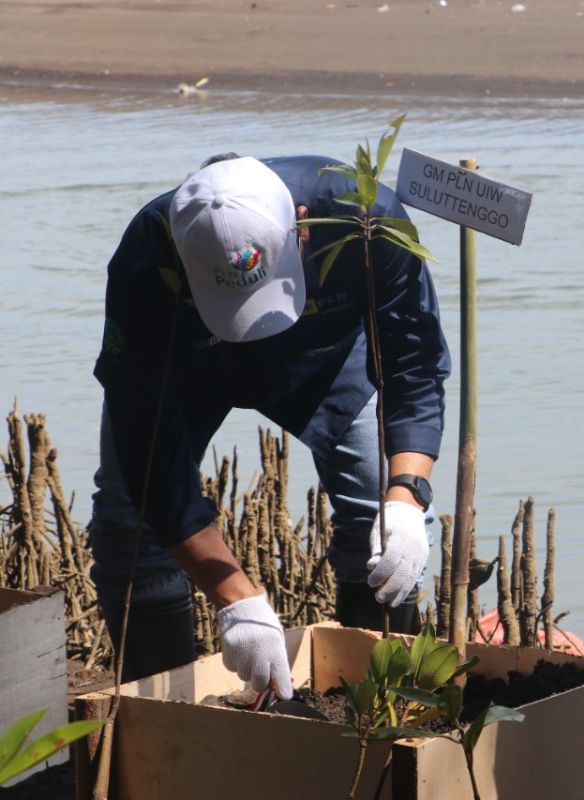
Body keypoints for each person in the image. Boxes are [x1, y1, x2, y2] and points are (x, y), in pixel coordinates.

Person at [89, 154, 450, 698]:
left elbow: (414, 367)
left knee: (387, 526)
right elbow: (148, 452)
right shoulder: (147, 257)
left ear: (301, 226)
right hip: (190, 369)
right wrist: (235, 597)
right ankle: (161, 716)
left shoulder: (366, 220)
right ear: (183, 260)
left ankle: (378, 706)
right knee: (126, 522)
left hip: (325, 360)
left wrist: (406, 494)